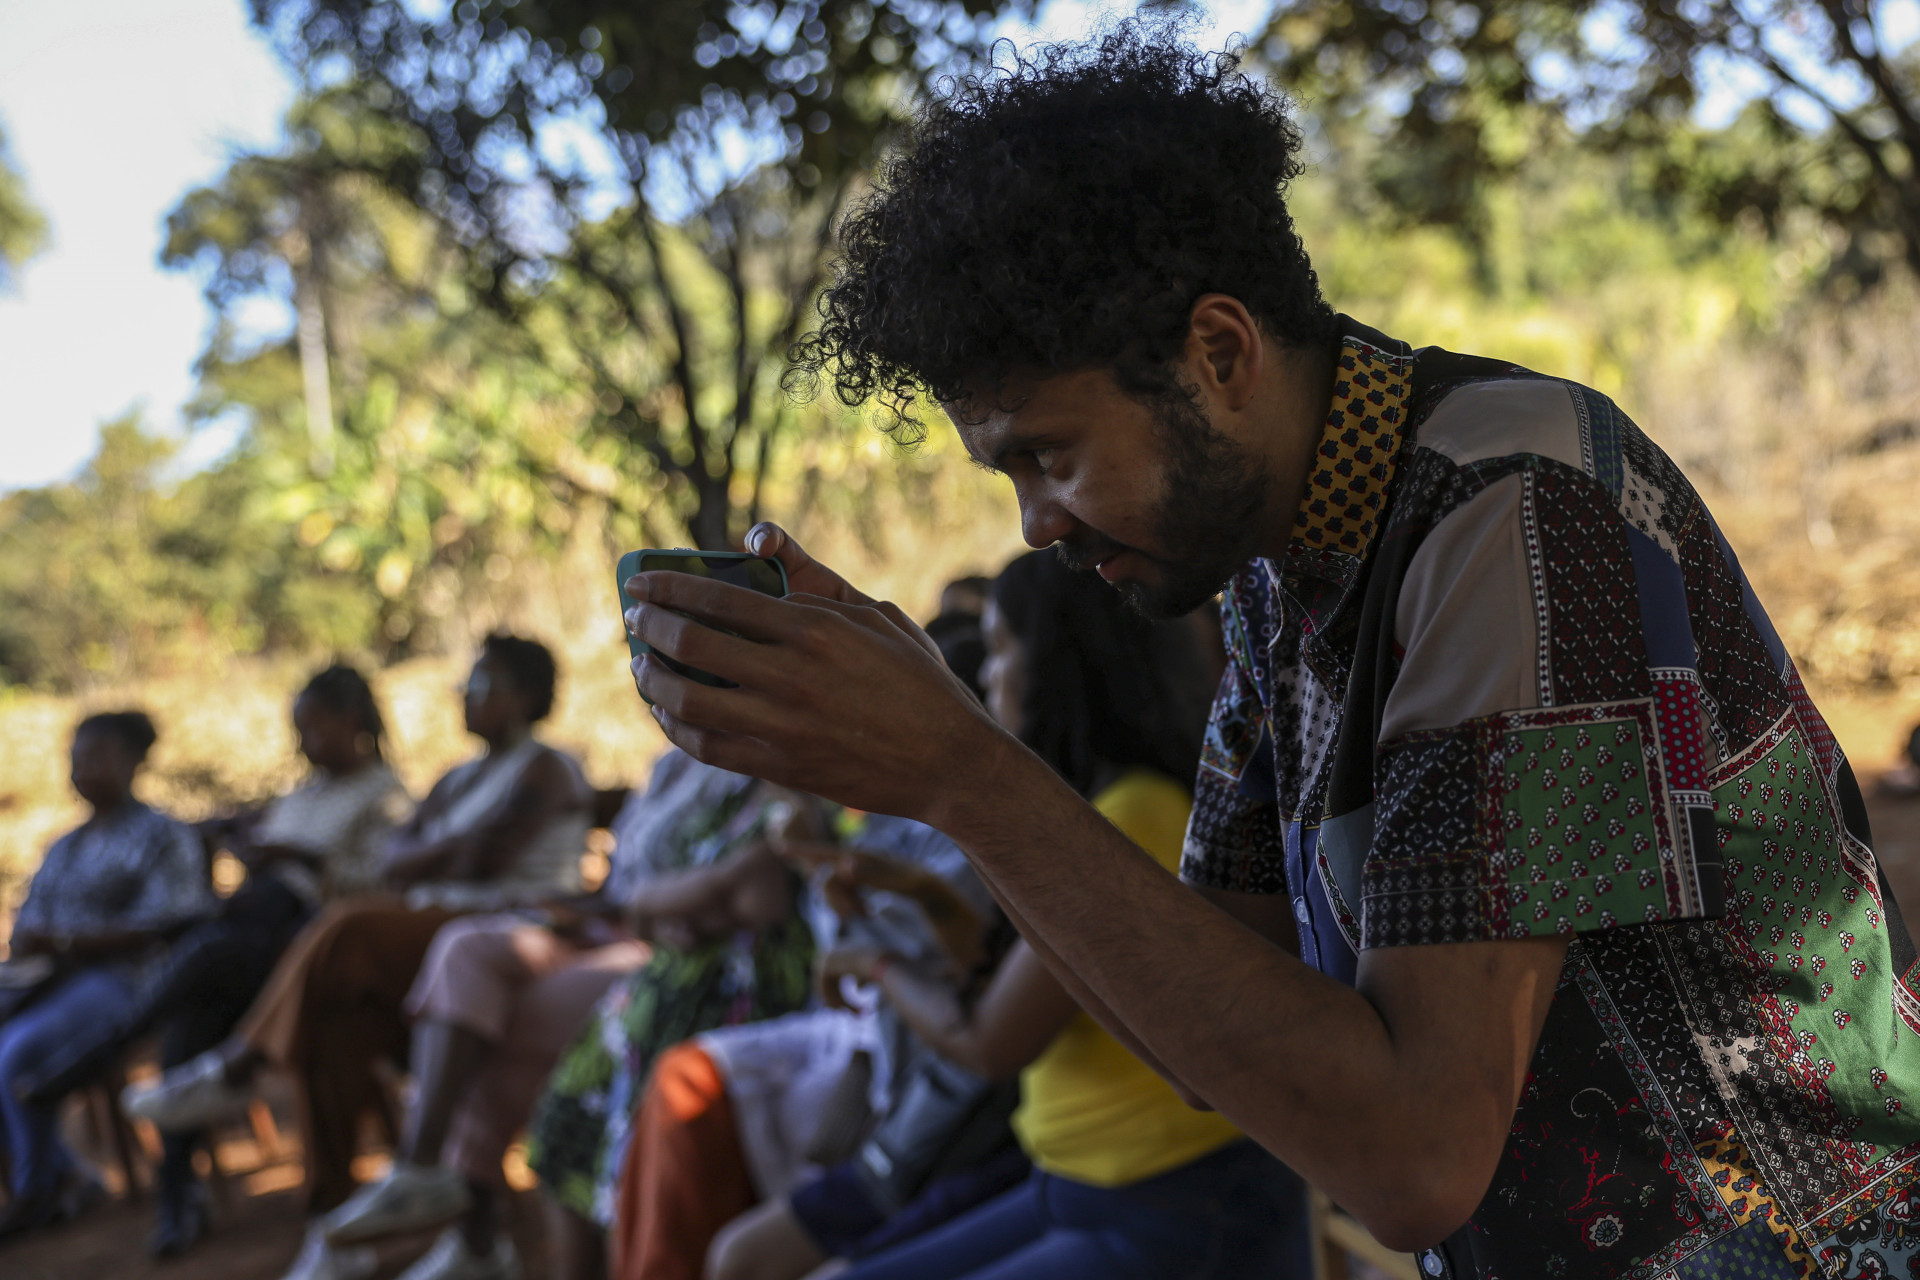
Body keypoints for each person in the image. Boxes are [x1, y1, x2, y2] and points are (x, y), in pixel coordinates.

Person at [619, 24, 1920, 1279]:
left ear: (1221, 354)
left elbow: (1415, 1157)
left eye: (1051, 454)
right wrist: (927, 750)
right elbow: (1210, 1029)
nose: (1038, 524)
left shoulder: (1520, 509)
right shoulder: (1271, 577)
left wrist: (964, 774)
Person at [706, 552, 1308, 1280]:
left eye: (997, 653)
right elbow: (996, 972)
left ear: (1058, 664)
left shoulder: (1134, 815)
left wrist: (877, 966)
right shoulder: (1092, 805)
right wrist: (915, 890)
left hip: (1179, 1205)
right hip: (1076, 1183)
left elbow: (988, 1040)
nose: (987, 682)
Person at [127, 634, 592, 1280]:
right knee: (332, 1029)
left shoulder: (548, 767)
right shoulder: (459, 776)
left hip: (509, 931)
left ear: (526, 699)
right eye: (465, 685)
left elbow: (473, 859)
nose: (465, 697)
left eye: (482, 685)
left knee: (346, 924)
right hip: (438, 935)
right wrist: (438, 850)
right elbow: (400, 859)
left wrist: (431, 850)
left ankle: (238, 1066)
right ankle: (345, 1232)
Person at [311, 751, 765, 1280]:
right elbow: (629, 882)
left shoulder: (755, 772)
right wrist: (587, 907)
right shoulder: (670, 766)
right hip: (612, 927)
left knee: (492, 1031)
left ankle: (475, 1239)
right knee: (465, 945)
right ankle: (422, 1169)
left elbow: (731, 894)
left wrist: (639, 909)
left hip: (673, 952)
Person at [20, 666, 409, 1257]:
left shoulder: (386, 795)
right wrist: (249, 847)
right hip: (259, 952)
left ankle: (115, 1072)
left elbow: (384, 890)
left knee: (208, 959)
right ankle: (177, 1195)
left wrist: (301, 858)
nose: (301, 742)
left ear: (351, 722)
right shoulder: (300, 795)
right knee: (196, 1005)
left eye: (310, 727)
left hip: (318, 952)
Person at [521, 775, 820, 1280]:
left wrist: (673, 901)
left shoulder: (810, 803)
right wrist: (685, 901)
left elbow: (751, 896)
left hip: (740, 1003)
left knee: (640, 1154)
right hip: (658, 989)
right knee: (562, 1126)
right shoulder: (725, 793)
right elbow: (651, 901)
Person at [0, 712, 212, 1241]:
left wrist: (70, 943)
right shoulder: (64, 847)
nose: (83, 771)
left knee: (17, 1055)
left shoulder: (163, 836)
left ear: (134, 762)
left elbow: (171, 923)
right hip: (47, 982)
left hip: (130, 983)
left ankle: (36, 1191)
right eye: (76, 761)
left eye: (97, 759)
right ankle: (65, 1172)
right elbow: (30, 922)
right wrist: (39, 946)